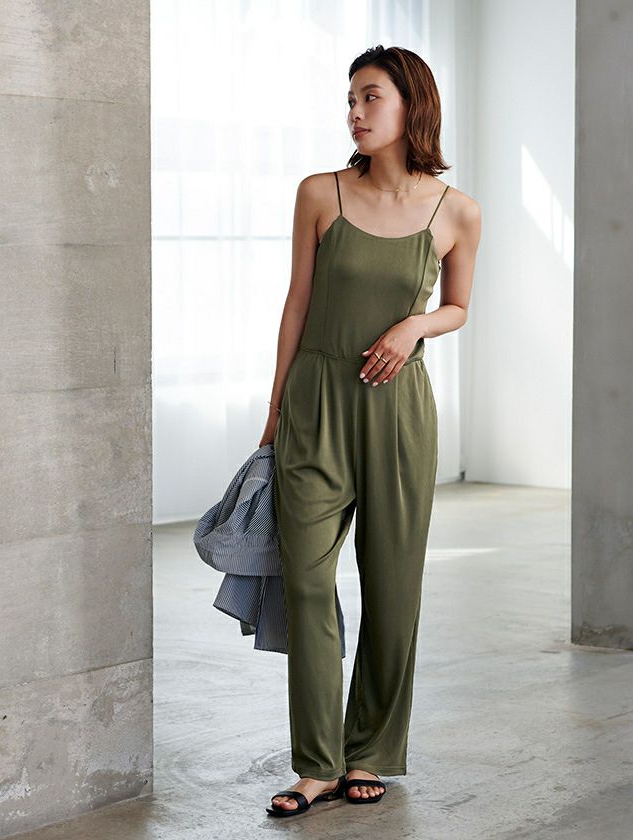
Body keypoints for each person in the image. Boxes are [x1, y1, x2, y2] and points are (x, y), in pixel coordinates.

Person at [261, 45, 481, 816]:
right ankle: (317, 763)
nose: (353, 112)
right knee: (307, 582)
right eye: (350, 98)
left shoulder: (456, 211)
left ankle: (372, 752)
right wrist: (275, 411)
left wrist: (414, 325)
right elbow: (297, 301)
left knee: (392, 587)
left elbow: (458, 307)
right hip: (316, 404)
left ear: (410, 104)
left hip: (397, 413)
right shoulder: (319, 193)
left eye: (369, 96)